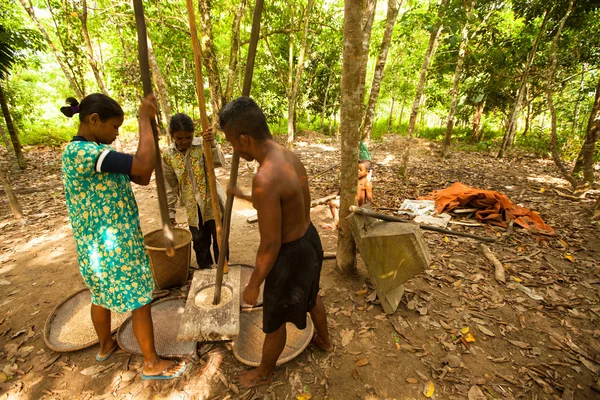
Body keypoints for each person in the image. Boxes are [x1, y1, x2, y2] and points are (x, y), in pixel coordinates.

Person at [61, 93, 186, 380]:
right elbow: (142, 167)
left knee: (101, 295)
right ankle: (152, 363)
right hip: (113, 245)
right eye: (114, 127)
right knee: (140, 299)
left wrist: (149, 132)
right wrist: (144, 120)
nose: (117, 134)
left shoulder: (95, 153)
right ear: (94, 120)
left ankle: (106, 345)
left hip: (96, 245)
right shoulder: (86, 153)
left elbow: (141, 176)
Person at [220, 97, 333, 389]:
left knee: (275, 319)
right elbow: (285, 198)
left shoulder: (265, 177)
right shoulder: (287, 155)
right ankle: (325, 341)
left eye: (232, 142)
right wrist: (243, 194)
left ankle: (263, 372)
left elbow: (270, 245)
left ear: (244, 139)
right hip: (310, 242)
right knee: (311, 296)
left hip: (290, 254)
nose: (233, 149)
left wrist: (254, 283)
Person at [162, 113, 226, 269]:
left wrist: (212, 144)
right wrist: (170, 212)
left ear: (193, 134)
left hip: (212, 202)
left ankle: (223, 267)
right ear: (172, 136)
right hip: (192, 207)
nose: (184, 142)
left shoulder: (203, 145)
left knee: (220, 238)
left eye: (188, 138)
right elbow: (170, 187)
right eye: (179, 138)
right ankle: (206, 269)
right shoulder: (168, 157)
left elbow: (219, 162)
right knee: (199, 241)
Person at [324, 159, 374, 230]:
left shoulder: (367, 184)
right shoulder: (353, 180)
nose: (358, 171)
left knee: (335, 205)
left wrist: (366, 212)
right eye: (356, 169)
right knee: (332, 203)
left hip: (358, 207)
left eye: (360, 169)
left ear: (367, 172)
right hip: (349, 203)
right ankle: (336, 223)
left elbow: (369, 200)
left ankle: (336, 224)